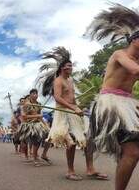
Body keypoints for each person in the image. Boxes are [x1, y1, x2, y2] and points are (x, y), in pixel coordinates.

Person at [86, 3, 139, 190]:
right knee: (132, 152)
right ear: (134, 39)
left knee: (131, 152)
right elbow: (133, 69)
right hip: (110, 104)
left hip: (130, 105)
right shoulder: (119, 54)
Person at [37, 46, 107, 181]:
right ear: (63, 68)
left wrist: (79, 107)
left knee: (88, 140)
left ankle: (90, 169)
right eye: (69, 66)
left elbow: (72, 98)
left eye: (71, 66)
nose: (71, 68)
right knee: (71, 143)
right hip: (62, 114)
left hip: (74, 112)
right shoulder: (58, 81)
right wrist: (72, 108)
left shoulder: (70, 80)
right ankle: (70, 171)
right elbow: (58, 98)